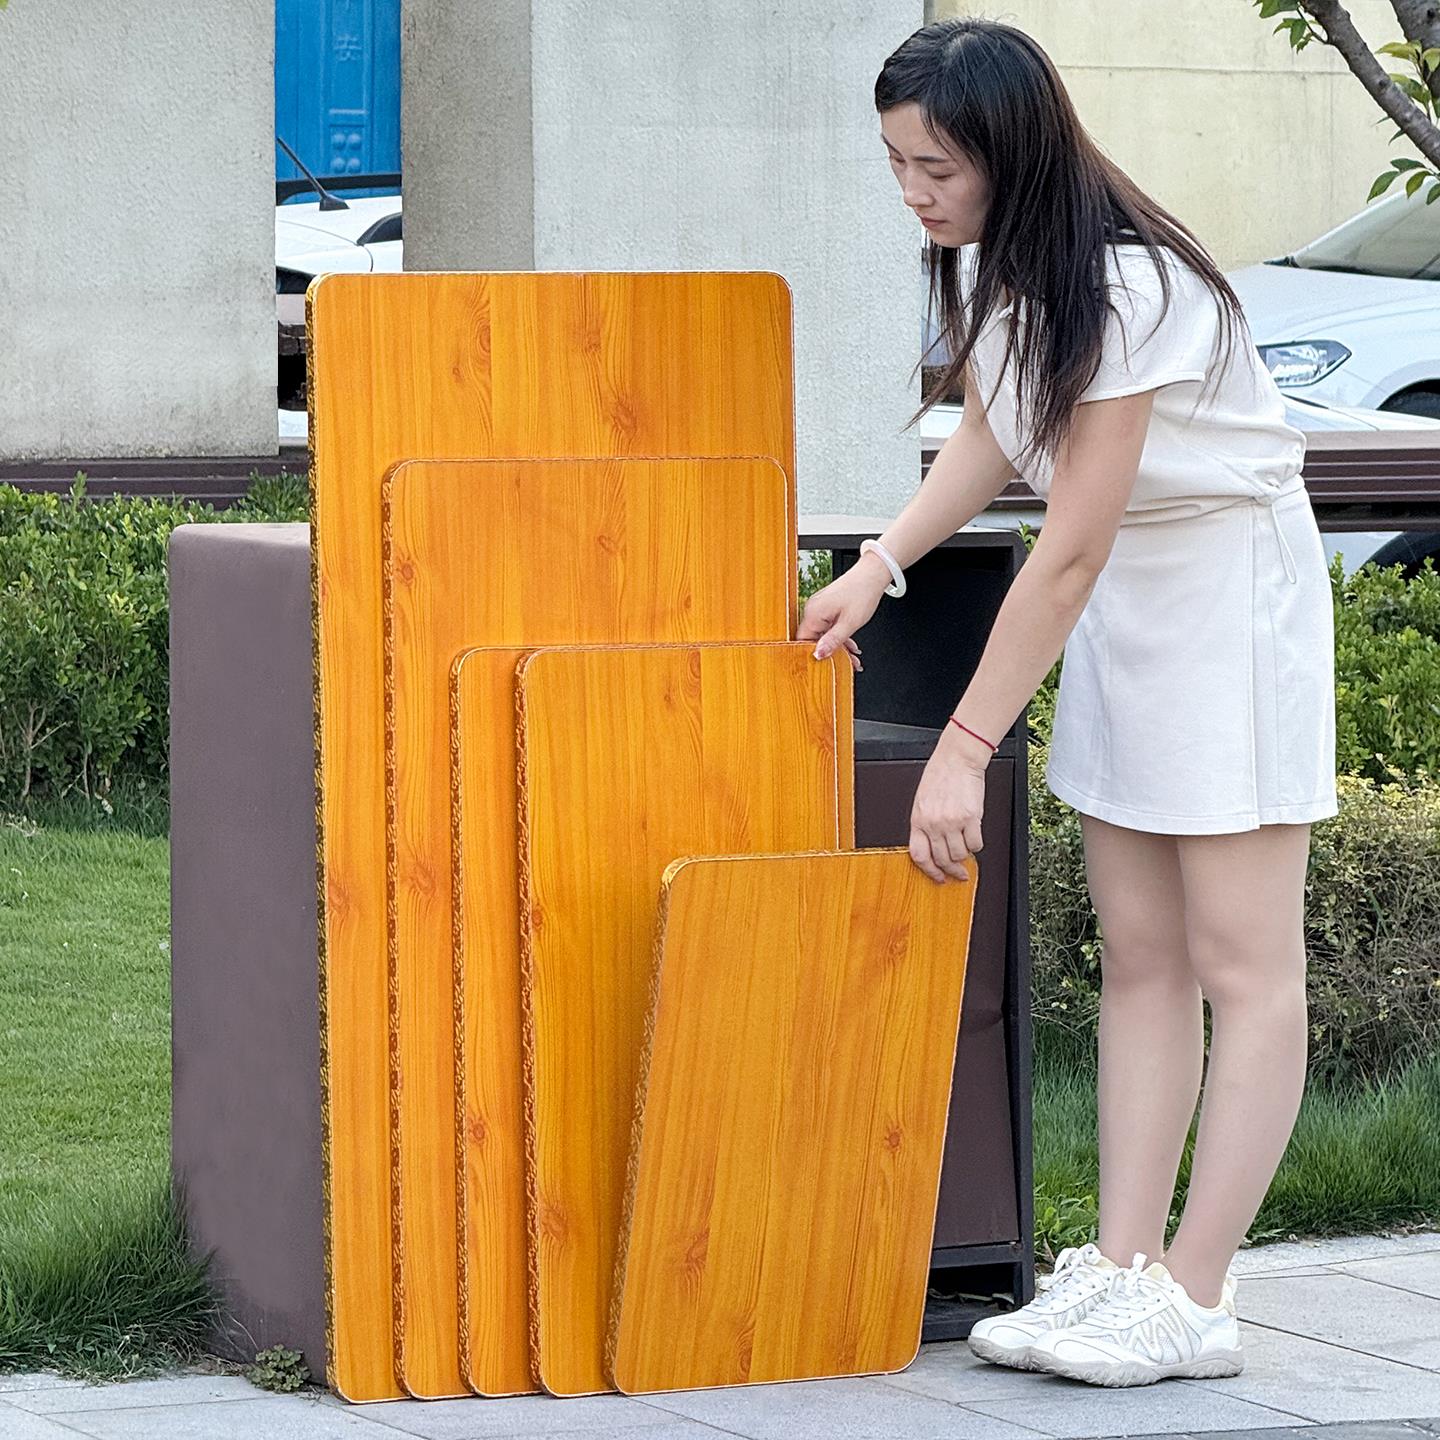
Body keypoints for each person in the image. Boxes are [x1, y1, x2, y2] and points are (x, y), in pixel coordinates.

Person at [797, 16, 1338, 1389]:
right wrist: (878, 566)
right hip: (1129, 599)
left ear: (1012, 150)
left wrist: (964, 746)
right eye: (896, 164)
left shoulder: (1131, 281)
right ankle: (1123, 1264)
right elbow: (996, 431)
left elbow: (1070, 545)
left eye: (935, 168)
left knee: (1243, 965)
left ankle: (1197, 1296)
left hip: (1223, 591)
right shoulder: (1013, 272)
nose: (913, 193)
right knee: (1142, 954)